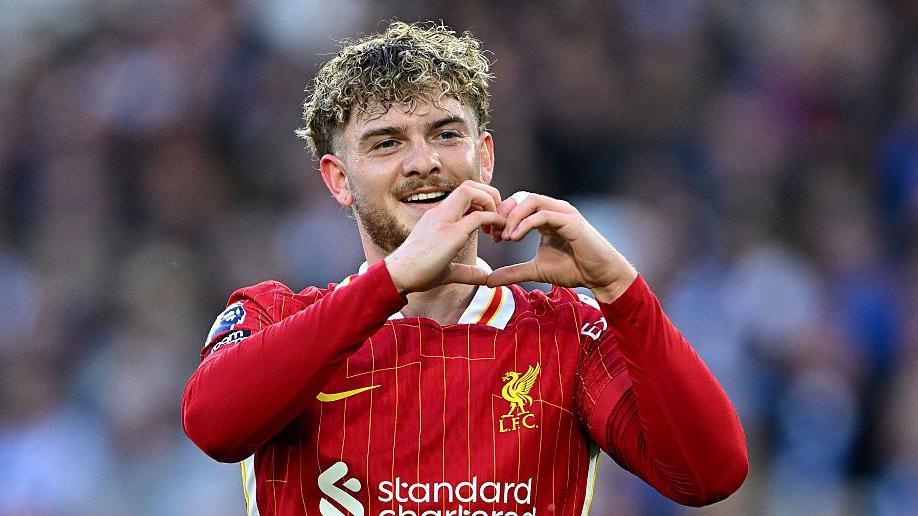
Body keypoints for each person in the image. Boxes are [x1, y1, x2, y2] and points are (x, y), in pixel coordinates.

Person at [182, 21, 747, 516]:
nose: (423, 162)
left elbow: (709, 476)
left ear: (486, 156)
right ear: (338, 181)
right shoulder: (274, 314)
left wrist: (622, 290)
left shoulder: (566, 332)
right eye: (385, 144)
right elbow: (214, 424)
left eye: (447, 134)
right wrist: (395, 279)